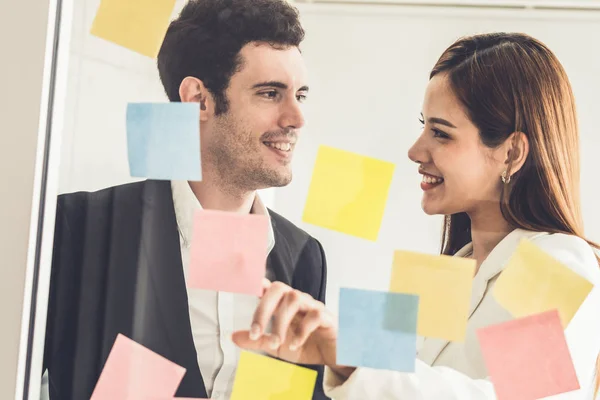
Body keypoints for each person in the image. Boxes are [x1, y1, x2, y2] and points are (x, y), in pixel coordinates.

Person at [233, 32, 600, 399]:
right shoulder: (443, 273)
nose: (415, 150)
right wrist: (332, 357)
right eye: (423, 126)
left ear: (511, 153)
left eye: (441, 133)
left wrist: (353, 360)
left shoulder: (554, 263)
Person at [43, 0, 329, 399]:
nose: (296, 117)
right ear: (197, 98)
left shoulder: (303, 255)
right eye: (270, 93)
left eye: (300, 94)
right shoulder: (80, 227)